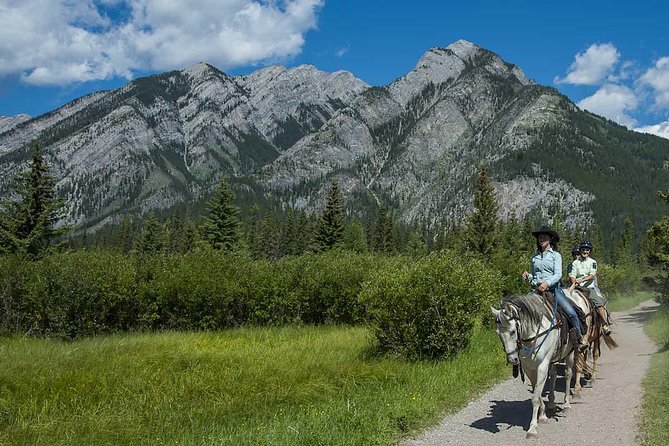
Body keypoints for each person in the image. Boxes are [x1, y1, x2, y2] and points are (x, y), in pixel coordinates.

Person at [522, 226, 589, 351]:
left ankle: (580, 338)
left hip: (552, 291)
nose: (541, 239)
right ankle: (520, 345)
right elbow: (535, 277)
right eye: (539, 237)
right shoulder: (534, 257)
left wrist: (547, 283)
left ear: (550, 239)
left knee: (571, 312)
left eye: (544, 237)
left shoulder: (556, 256)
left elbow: (558, 275)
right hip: (536, 291)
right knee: (520, 311)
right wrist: (528, 277)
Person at [569, 240, 612, 335]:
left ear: (589, 252)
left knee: (598, 304)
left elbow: (592, 275)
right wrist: (574, 282)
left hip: (589, 288)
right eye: (583, 249)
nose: (585, 251)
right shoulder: (575, 263)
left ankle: (604, 324)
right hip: (577, 288)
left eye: (587, 250)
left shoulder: (593, 262)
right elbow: (572, 274)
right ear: (580, 251)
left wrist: (582, 280)